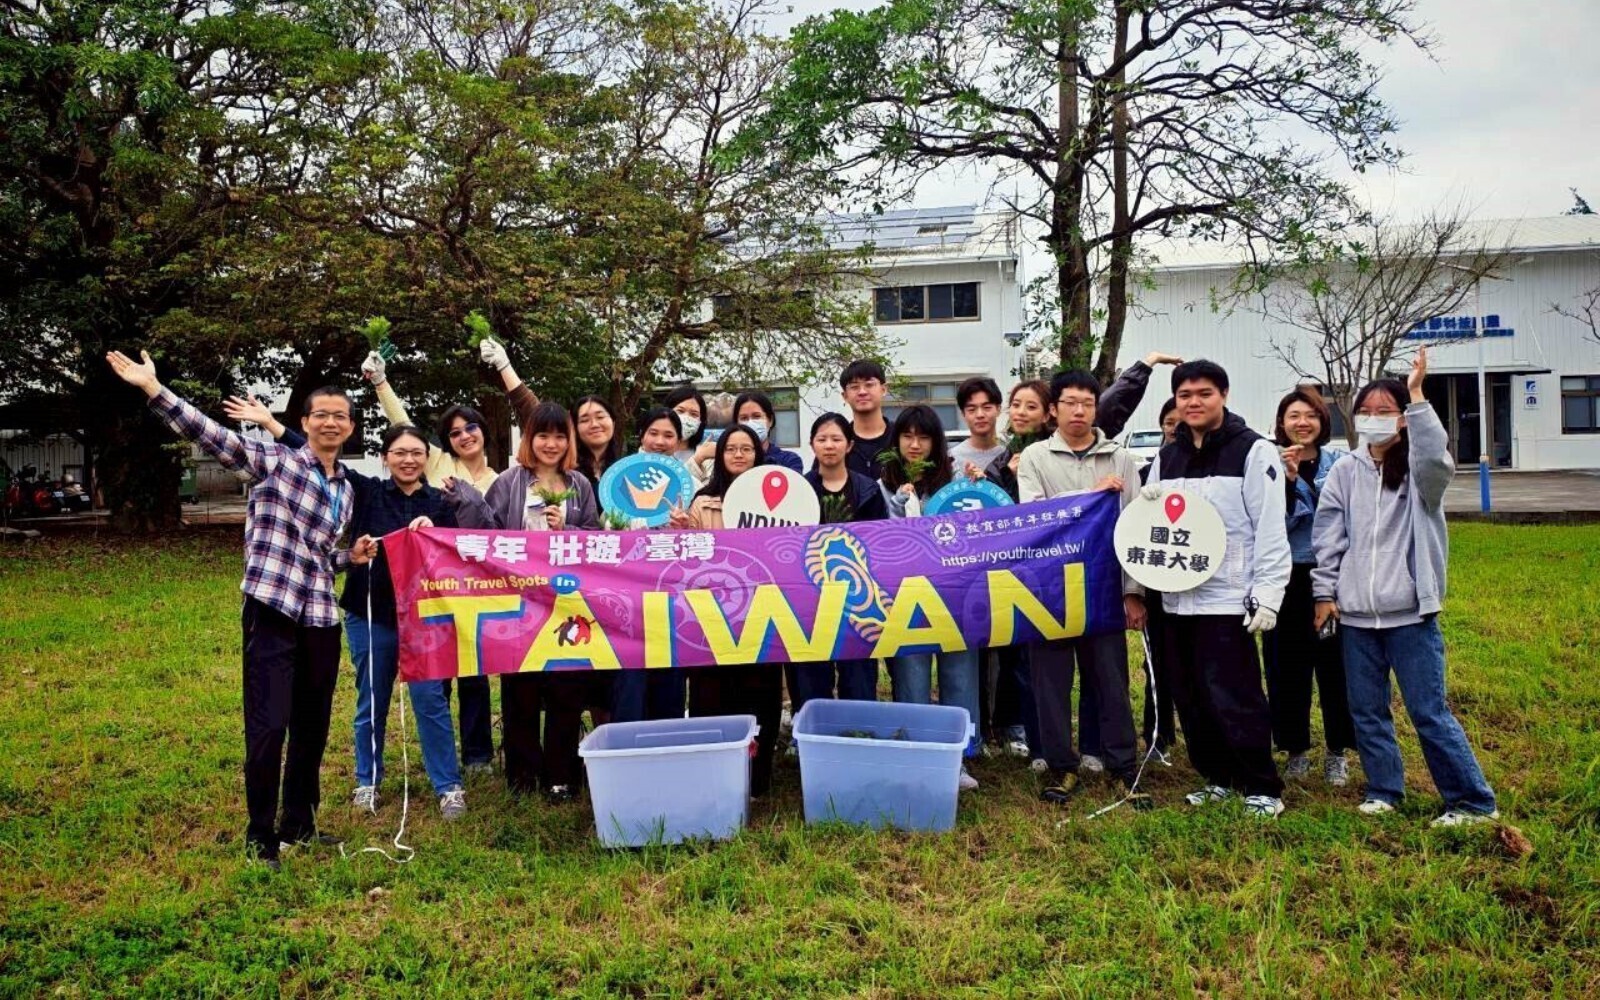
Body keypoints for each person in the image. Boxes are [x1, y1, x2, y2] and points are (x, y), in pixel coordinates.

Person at [107, 349, 375, 871]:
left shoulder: (343, 488)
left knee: (312, 726)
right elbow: (212, 435)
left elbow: (320, 556)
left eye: (340, 416)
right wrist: (153, 389)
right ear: (304, 423)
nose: (330, 423)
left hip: (320, 617)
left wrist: (351, 557)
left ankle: (300, 823)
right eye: (321, 415)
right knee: (269, 725)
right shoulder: (274, 461)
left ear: (350, 427)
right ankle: (261, 835)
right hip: (272, 608)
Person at [220, 398, 493, 820]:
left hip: (425, 619)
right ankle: (367, 781)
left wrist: (435, 531)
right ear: (385, 458)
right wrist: (273, 425)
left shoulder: (441, 503)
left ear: (427, 459)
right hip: (370, 614)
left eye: (416, 453)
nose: (408, 460)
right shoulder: (364, 491)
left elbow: (458, 555)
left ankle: (448, 786)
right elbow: (317, 454)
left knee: (431, 700)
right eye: (399, 453)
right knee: (372, 699)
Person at [1312, 349, 1499, 827]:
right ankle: (1384, 790)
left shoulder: (1420, 473)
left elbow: (1435, 457)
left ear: (1402, 419)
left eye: (1385, 411)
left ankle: (1473, 801)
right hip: (1357, 618)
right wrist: (1325, 594)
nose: (1373, 419)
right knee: (1366, 711)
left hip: (1411, 615)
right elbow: (1329, 538)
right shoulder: (1345, 471)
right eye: (1365, 411)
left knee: (1428, 712)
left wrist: (1417, 395)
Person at [361, 340, 535, 775]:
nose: (464, 436)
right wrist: (380, 382)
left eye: (470, 427)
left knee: (475, 670)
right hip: (430, 585)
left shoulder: (503, 478)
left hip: (475, 586)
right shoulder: (436, 464)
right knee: (436, 673)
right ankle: (439, 752)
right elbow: (402, 425)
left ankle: (477, 754)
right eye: (455, 432)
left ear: (483, 431)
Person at [1144, 360, 1291, 818]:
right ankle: (1218, 778)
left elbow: (1270, 529)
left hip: (1228, 597)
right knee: (1191, 695)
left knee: (1234, 694)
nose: (1194, 402)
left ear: (1223, 395)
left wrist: (1269, 594)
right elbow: (1150, 523)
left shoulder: (1253, 450)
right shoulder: (1167, 456)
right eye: (1184, 395)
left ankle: (1261, 786)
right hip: (1176, 597)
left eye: (1204, 393)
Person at [1016, 371, 1149, 808]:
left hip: (1105, 585)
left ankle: (1123, 767)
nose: (1079, 411)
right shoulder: (1035, 457)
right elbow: (1033, 518)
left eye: (1087, 403)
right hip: (1050, 588)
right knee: (1051, 683)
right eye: (1070, 403)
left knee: (1111, 681)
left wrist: (1133, 592)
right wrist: (1091, 496)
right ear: (1053, 410)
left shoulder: (1120, 458)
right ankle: (1062, 765)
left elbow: (1134, 527)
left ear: (1096, 408)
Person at [472, 402, 602, 800]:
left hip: (568, 603)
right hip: (519, 602)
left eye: (560, 436)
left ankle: (561, 775)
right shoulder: (509, 482)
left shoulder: (580, 484)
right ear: (529, 439)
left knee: (567, 687)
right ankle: (522, 775)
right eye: (543, 435)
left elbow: (598, 539)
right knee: (520, 688)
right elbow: (487, 532)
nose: (551, 444)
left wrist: (569, 528)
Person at [879, 403, 980, 791]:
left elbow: (982, 527)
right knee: (911, 676)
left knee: (960, 675)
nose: (915, 444)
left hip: (956, 595)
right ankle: (916, 756)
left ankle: (959, 758)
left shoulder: (956, 480)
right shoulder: (883, 483)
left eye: (923, 437)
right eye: (907, 436)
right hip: (906, 599)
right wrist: (899, 506)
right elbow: (881, 540)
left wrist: (978, 487)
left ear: (937, 442)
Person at [682, 425, 785, 796]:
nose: (739, 455)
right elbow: (685, 564)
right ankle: (714, 777)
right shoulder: (702, 502)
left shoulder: (785, 501)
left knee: (762, 695)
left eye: (747, 448)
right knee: (711, 695)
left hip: (764, 614)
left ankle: (758, 778)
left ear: (759, 455)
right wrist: (682, 533)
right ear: (720, 456)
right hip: (711, 619)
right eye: (731, 449)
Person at [1266, 388, 1355, 785]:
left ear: (1322, 421)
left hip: (1331, 577)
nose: (1302, 423)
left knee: (1335, 666)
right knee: (1286, 667)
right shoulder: (1268, 463)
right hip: (1285, 578)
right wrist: (1286, 481)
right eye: (1293, 416)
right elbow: (1268, 522)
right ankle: (1295, 750)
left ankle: (1338, 751)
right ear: (1281, 423)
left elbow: (1343, 518)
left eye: (1311, 416)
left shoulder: (1340, 465)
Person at [793, 413, 887, 715]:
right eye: (822, 439)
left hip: (858, 599)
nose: (829, 445)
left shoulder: (868, 489)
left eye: (836, 439)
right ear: (812, 444)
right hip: (809, 598)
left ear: (849, 445)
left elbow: (880, 542)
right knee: (811, 674)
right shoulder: (798, 490)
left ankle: (859, 730)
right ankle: (810, 728)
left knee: (858, 674)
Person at [982, 380, 1052, 763]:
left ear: (1048, 412)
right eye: (1017, 405)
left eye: (1031, 406)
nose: (1021, 412)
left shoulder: (1053, 451)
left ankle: (1043, 727)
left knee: (1043, 654)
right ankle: (1012, 724)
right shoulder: (1003, 458)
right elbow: (999, 514)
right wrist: (999, 479)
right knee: (1013, 651)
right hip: (1011, 567)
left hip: (1049, 565)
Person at [1137, 396, 1182, 758]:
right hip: (1155, 579)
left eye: (1182, 422)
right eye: (1170, 422)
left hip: (1199, 579)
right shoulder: (1148, 473)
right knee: (1157, 661)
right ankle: (1158, 734)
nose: (1176, 428)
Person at [838, 359, 893, 478]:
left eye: (869, 385)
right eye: (854, 387)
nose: (862, 392)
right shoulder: (837, 441)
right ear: (845, 396)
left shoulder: (900, 437)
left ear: (883, 390)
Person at [732, 390, 803, 473]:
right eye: (744, 418)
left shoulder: (788, 460)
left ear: (770, 420)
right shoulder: (730, 460)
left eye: (756, 416)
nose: (750, 423)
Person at [950, 377, 1007, 477]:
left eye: (987, 407)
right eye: (972, 409)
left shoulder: (1010, 454)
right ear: (963, 414)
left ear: (998, 409)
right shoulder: (952, 458)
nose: (980, 415)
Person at [574, 395, 626, 495]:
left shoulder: (625, 469)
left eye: (600, 417)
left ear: (613, 423)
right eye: (585, 420)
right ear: (575, 428)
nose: (594, 425)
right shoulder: (566, 473)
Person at [664, 383, 711, 487]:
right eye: (680, 411)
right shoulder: (653, 452)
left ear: (701, 421)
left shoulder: (708, 459)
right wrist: (696, 460)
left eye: (694, 414)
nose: (686, 418)